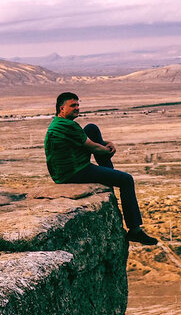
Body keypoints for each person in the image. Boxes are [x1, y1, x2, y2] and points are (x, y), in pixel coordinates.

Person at [44, 91, 157, 245]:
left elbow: (89, 141)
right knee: (126, 179)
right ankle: (135, 230)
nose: (77, 108)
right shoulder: (67, 126)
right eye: (73, 105)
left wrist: (104, 143)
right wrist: (108, 149)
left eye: (78, 105)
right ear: (61, 109)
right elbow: (94, 148)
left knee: (91, 128)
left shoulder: (60, 123)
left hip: (69, 167)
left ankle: (109, 179)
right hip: (73, 172)